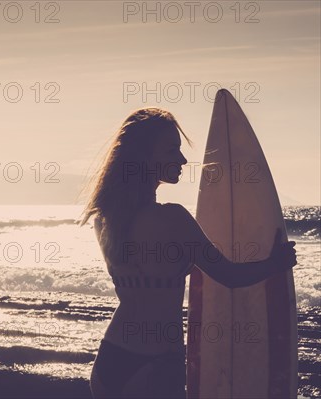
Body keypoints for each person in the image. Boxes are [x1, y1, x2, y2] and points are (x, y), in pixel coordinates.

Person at [78, 108, 297, 398]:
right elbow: (229, 276)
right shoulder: (174, 220)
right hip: (155, 365)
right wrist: (276, 263)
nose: (181, 159)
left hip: (111, 360)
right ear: (146, 156)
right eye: (172, 150)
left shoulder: (104, 219)